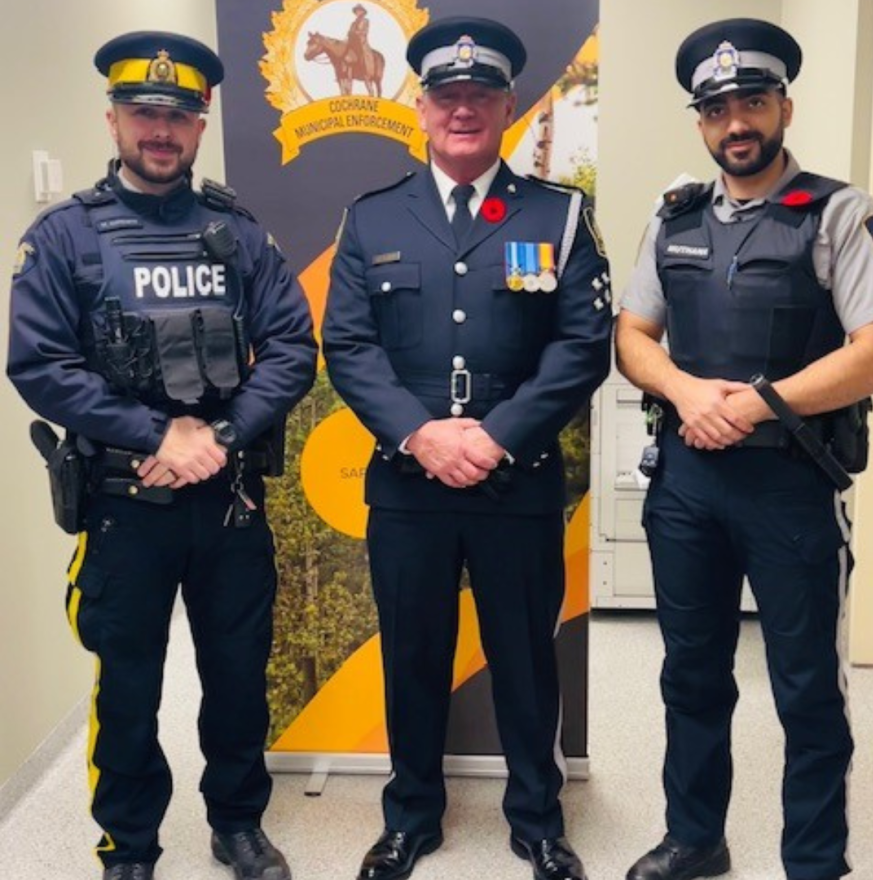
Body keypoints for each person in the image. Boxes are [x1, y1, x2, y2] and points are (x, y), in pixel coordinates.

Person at [7, 31, 317, 880]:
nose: (160, 129)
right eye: (144, 111)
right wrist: (157, 434)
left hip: (228, 500)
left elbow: (293, 345)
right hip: (122, 504)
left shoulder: (237, 232)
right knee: (129, 687)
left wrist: (216, 436)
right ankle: (129, 845)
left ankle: (237, 824)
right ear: (112, 118)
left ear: (201, 124)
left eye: (178, 115)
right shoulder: (66, 237)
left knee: (238, 678)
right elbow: (38, 364)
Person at [322, 15, 611, 880]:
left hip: (511, 481)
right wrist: (420, 433)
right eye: (447, 95)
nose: (462, 109)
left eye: (479, 95)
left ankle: (537, 819)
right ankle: (411, 817)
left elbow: (581, 346)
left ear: (507, 105)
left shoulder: (557, 214)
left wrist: (495, 435)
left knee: (525, 656)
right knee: (412, 655)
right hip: (409, 482)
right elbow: (348, 345)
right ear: (421, 106)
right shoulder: (373, 219)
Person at [616, 17, 873, 880]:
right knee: (691, 675)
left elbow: (872, 349)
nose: (738, 122)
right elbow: (634, 336)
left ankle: (815, 860)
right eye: (719, 108)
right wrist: (690, 393)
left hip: (791, 484)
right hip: (687, 482)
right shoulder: (675, 217)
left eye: (754, 103)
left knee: (807, 687)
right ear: (701, 122)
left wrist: (758, 405)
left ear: (784, 109)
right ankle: (695, 838)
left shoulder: (840, 214)